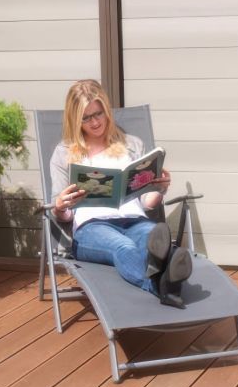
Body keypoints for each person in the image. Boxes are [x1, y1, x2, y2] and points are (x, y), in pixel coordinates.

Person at [49, 79, 193, 308]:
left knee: (151, 237)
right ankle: (162, 284)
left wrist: (160, 188)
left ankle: (166, 267)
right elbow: (61, 215)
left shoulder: (131, 145)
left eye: (98, 113)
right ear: (75, 119)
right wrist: (60, 205)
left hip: (134, 219)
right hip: (91, 227)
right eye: (86, 118)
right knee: (123, 247)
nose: (95, 122)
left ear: (106, 110)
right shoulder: (64, 153)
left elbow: (147, 203)